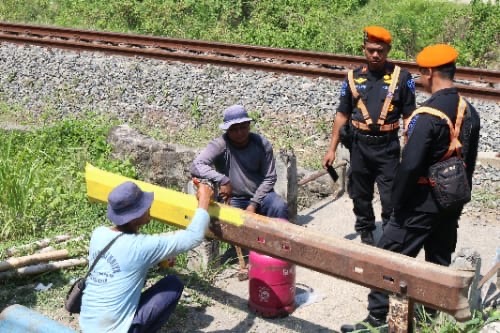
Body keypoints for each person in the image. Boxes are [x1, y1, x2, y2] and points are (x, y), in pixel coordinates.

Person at [340, 44, 480, 332]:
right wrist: (457, 203)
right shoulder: (470, 111)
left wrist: (399, 206)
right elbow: (470, 164)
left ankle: (377, 320)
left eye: (422, 74)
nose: (420, 79)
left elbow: (409, 165)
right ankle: (428, 320)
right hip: (450, 203)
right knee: (437, 264)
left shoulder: (427, 115)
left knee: (384, 259)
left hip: (419, 204)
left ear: (430, 72)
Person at [322, 26, 416, 245]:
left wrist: (409, 144)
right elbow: (342, 114)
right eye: (371, 50)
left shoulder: (403, 78)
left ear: (388, 50)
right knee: (360, 194)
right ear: (364, 49)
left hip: (388, 147)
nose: (375, 55)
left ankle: (390, 235)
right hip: (359, 146)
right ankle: (366, 230)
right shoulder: (352, 78)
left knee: (391, 196)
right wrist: (331, 149)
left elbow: (409, 115)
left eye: (381, 50)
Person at [79, 180, 214, 333]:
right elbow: (193, 237)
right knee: (172, 284)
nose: (149, 207)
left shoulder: (99, 234)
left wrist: (157, 258)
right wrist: (204, 200)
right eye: (144, 206)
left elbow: (126, 259)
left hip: (88, 326)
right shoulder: (141, 247)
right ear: (135, 217)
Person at [190, 104, 289, 261]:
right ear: (227, 130)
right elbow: (197, 165)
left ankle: (279, 250)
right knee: (231, 223)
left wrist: (254, 204)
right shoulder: (221, 144)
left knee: (279, 207)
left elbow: (270, 178)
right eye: (234, 129)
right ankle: (242, 251)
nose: (239, 133)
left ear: (249, 126)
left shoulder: (262, 144)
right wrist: (223, 179)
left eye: (243, 128)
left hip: (261, 195)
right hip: (234, 198)